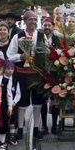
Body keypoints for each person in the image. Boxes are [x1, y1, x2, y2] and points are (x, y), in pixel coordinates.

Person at [7, 10, 48, 140]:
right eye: (30, 19)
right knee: (22, 102)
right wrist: (21, 56)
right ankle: (20, 128)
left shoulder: (41, 35)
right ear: (25, 21)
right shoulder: (18, 36)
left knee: (38, 102)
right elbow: (9, 55)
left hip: (37, 74)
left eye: (35, 20)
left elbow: (48, 52)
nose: (33, 22)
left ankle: (36, 128)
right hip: (22, 74)